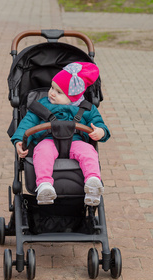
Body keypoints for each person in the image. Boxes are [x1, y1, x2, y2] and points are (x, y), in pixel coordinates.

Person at [11, 62, 110, 206]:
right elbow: (28, 123)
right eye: (52, 87)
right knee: (42, 151)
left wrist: (100, 132)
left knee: (89, 152)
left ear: (74, 97)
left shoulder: (87, 109)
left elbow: (99, 123)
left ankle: (93, 182)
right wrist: (20, 139)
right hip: (48, 140)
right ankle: (44, 185)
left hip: (76, 141)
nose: (51, 92)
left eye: (59, 92)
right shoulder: (42, 105)